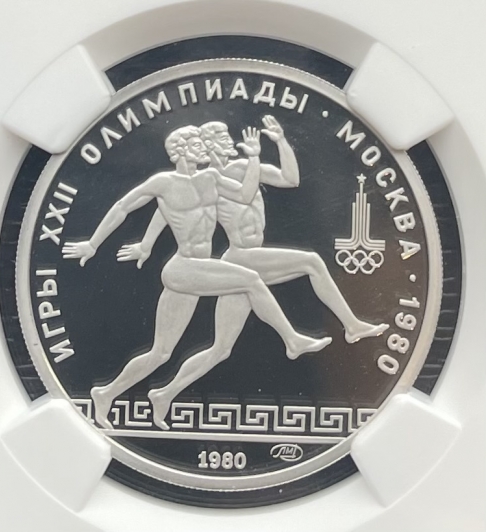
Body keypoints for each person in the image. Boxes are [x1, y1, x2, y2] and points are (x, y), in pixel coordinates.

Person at [119, 117, 388, 430]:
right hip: (241, 256)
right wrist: (147, 244)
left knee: (221, 349)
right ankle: (340, 329)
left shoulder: (244, 168)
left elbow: (290, 179)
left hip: (249, 259)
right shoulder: (207, 180)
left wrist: (281, 140)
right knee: (311, 262)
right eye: (221, 138)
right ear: (207, 145)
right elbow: (167, 209)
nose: (230, 142)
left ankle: (165, 393)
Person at [62, 125, 331, 430]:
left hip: (198, 269)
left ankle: (110, 394)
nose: (202, 147)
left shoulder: (211, 178)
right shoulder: (163, 183)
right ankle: (292, 340)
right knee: (251, 280)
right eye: (196, 143)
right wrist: (93, 244)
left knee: (161, 353)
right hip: (183, 267)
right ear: (180, 151)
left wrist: (255, 158)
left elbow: (245, 195)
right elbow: (123, 207)